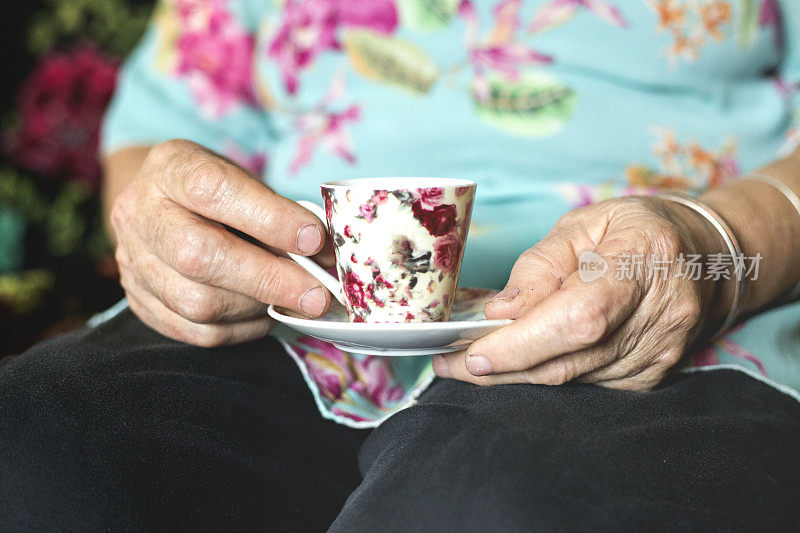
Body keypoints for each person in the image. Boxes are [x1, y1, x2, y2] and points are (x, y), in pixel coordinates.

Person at [2, 0, 800, 529]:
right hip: (298, 294)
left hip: (653, 299)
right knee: (33, 444)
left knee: (489, 505)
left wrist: (718, 248)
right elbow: (163, 126)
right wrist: (165, 229)